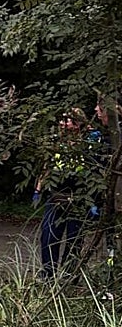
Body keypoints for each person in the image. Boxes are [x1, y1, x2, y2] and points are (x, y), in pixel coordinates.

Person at [37, 108, 106, 277]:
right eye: (61, 120)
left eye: (67, 120)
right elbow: (47, 166)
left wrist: (94, 202)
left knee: (73, 241)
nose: (62, 123)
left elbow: (97, 171)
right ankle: (48, 276)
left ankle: (69, 277)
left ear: (78, 123)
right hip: (56, 197)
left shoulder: (91, 141)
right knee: (48, 238)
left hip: (78, 199)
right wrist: (38, 189)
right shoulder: (56, 141)